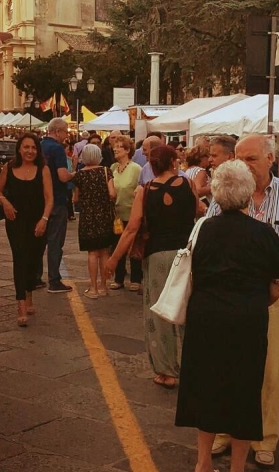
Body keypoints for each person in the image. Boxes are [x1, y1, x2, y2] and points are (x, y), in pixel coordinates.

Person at [176, 160, 279, 472]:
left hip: (206, 318)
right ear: (249, 193)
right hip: (247, 320)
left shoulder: (204, 230)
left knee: (207, 387)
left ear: (215, 194)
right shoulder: (264, 234)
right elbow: (278, 285)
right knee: (244, 392)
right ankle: (238, 465)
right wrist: (255, 301)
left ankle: (203, 461)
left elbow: (194, 275)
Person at [208, 133, 279, 468]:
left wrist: (277, 288)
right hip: (230, 293)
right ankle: (222, 430)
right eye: (239, 158)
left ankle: (265, 438)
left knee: (267, 369)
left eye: (250, 158)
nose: (243, 165)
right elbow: (209, 232)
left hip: (271, 294)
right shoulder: (226, 192)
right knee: (225, 363)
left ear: (270, 159)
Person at [106, 145, 197, 388]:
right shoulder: (189, 185)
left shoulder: (145, 192)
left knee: (159, 312)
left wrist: (114, 259)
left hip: (158, 256)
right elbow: (198, 211)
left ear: (152, 166)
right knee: (190, 310)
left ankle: (166, 372)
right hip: (187, 256)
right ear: (173, 162)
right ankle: (194, 367)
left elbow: (132, 229)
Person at [0, 133, 53, 326]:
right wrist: (5, 203)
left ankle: (29, 294)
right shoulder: (9, 168)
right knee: (19, 259)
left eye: (33, 147)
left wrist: (44, 219)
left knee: (34, 260)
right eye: (26, 147)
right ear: (19, 148)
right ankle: (20, 304)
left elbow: (49, 198)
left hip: (38, 221)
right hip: (15, 220)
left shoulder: (43, 169)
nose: (30, 151)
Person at [74, 143, 117, 298]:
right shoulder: (106, 171)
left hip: (88, 218)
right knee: (104, 252)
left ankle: (93, 288)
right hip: (104, 216)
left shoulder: (79, 174)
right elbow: (112, 194)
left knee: (92, 253)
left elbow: (76, 198)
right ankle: (104, 287)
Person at [40, 118, 75, 293]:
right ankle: (54, 280)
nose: (66, 136)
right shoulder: (57, 149)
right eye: (66, 132)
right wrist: (73, 174)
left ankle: (35, 276)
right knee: (55, 242)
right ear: (58, 131)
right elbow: (62, 176)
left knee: (38, 241)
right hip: (57, 199)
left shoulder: (39, 146)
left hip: (40, 200)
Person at [109, 136, 142, 291]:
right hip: (116, 216)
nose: (115, 149)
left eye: (119, 147)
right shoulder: (113, 168)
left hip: (132, 214)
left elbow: (140, 190)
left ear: (128, 150)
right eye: (115, 147)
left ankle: (136, 279)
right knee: (117, 246)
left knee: (134, 247)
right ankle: (119, 278)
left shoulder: (136, 169)